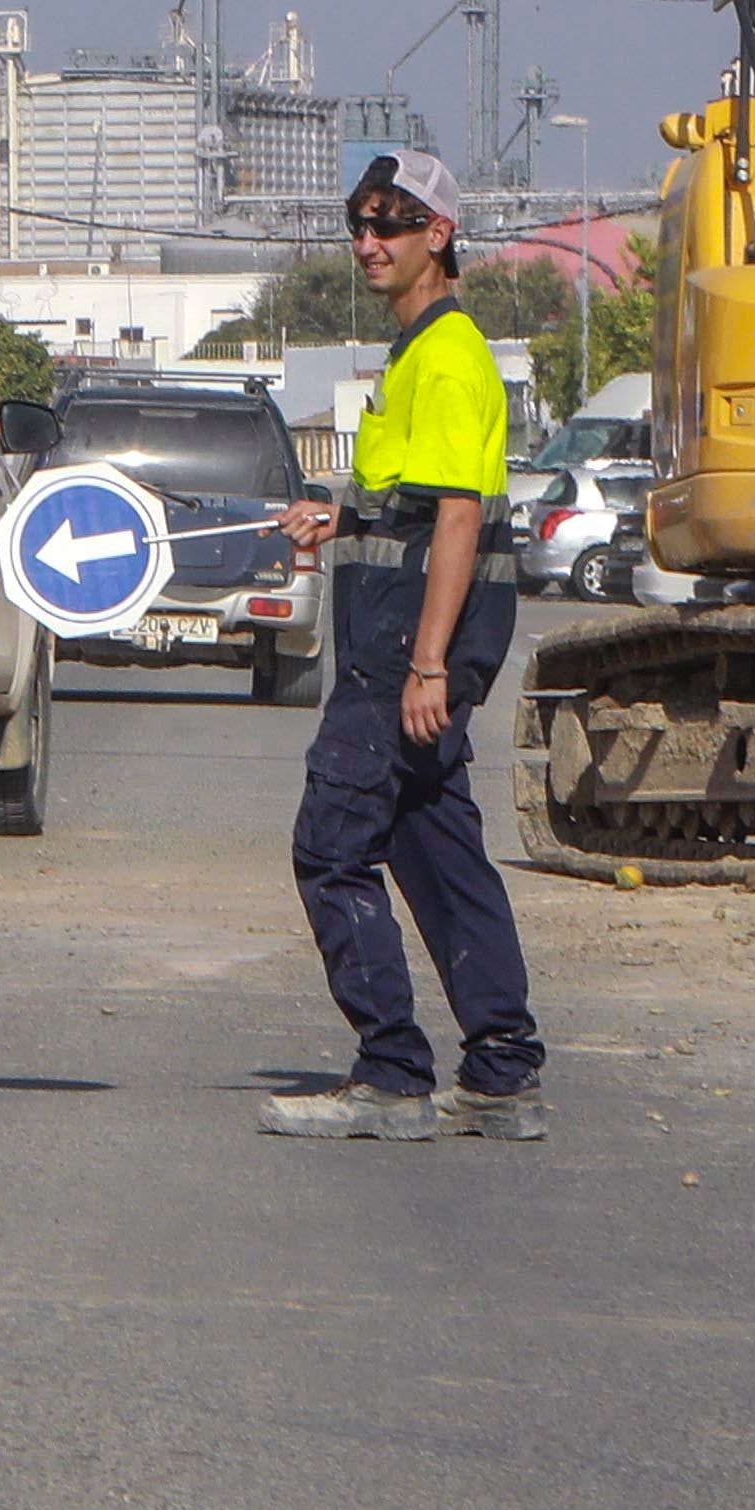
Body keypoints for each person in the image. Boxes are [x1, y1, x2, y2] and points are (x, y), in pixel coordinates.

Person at [259, 143, 545, 1143]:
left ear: (440, 235)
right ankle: (502, 1070)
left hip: (401, 658)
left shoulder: (451, 354)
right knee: (436, 850)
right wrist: (339, 519)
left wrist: (428, 665)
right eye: (361, 223)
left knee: (330, 848)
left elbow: (460, 519)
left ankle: (390, 1073)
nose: (368, 241)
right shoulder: (418, 353)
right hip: (403, 645)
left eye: (391, 224)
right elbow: (416, 508)